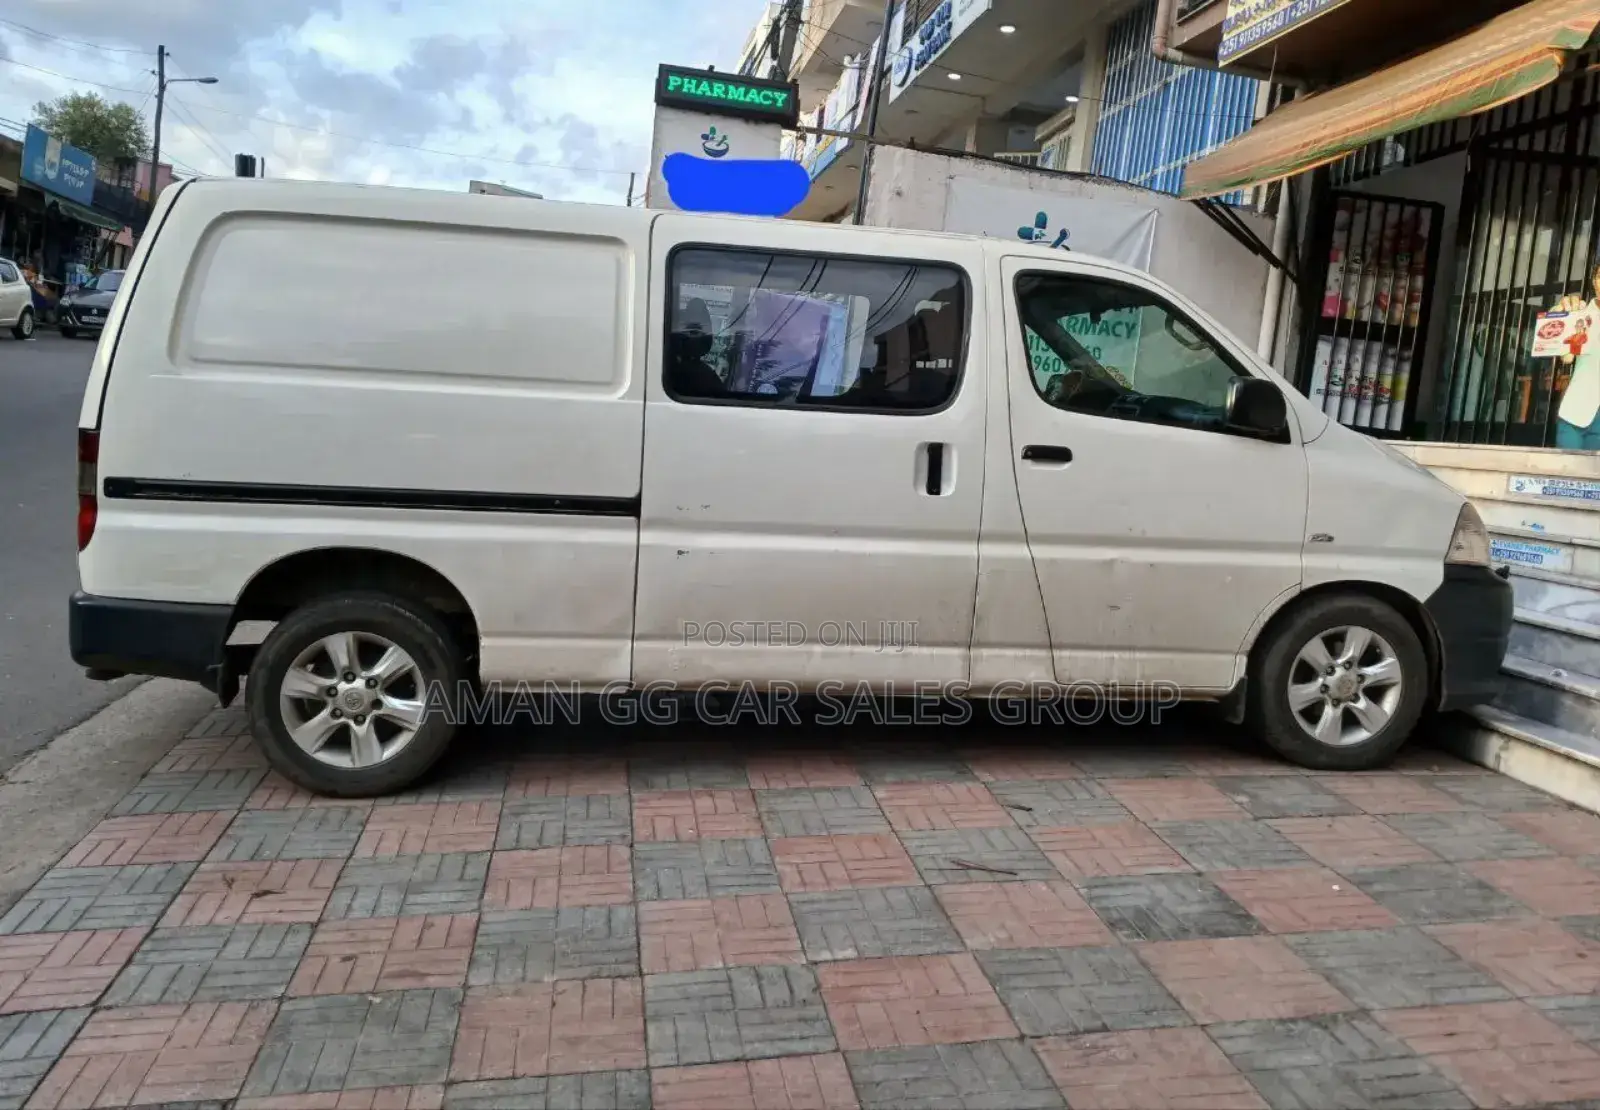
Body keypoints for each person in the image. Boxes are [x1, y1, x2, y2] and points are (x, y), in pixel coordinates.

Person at [1555, 264, 1600, 449]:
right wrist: (1563, 319)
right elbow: (1566, 358)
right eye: (1599, 276)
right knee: (1567, 473)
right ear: (1594, 281)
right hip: (1575, 412)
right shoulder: (1580, 314)